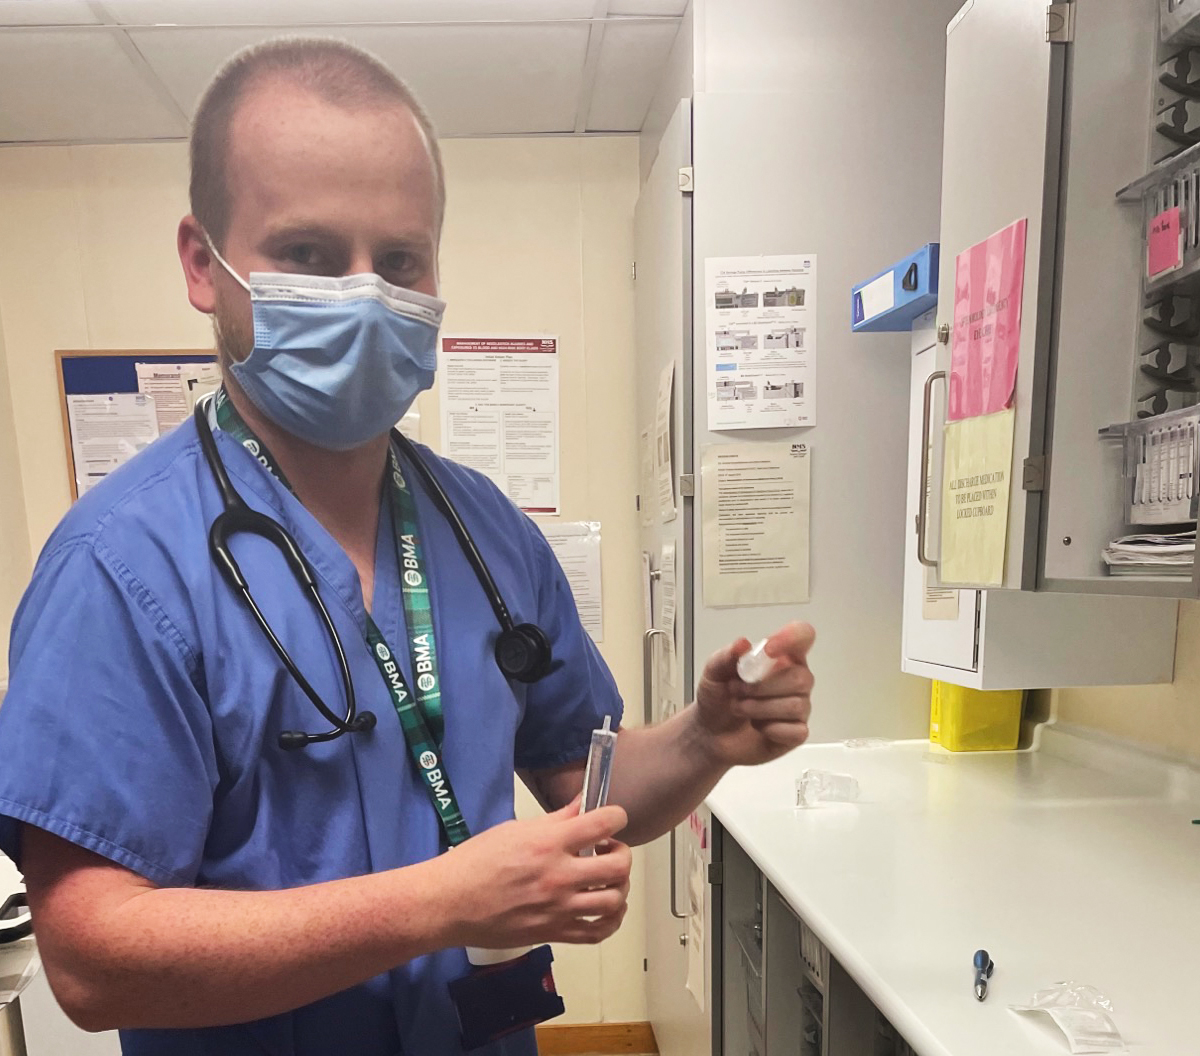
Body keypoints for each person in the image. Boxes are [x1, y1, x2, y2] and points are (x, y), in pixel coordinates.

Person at [0, 38, 815, 1056]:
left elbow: (584, 784)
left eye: (399, 261)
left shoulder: (484, 532)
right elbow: (88, 957)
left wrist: (701, 739)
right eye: (306, 256)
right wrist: (440, 905)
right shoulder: (120, 568)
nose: (365, 294)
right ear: (202, 265)